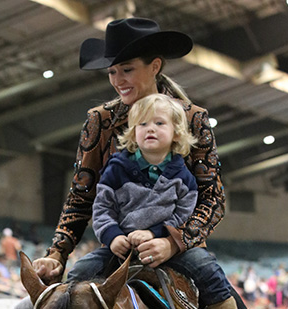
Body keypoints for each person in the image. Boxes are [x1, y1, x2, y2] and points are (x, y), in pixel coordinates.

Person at [27, 17, 242, 308]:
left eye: (127, 70)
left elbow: (212, 199)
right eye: (112, 72)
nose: (117, 80)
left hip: (182, 249)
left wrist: (172, 242)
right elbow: (81, 197)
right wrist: (57, 254)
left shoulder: (193, 118)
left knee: (225, 297)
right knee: (73, 285)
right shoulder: (99, 121)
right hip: (119, 247)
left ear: (154, 66)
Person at [92, 94, 198, 260]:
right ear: (134, 133)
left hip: (167, 247)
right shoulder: (115, 169)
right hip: (122, 246)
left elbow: (184, 216)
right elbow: (102, 208)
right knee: (81, 271)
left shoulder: (184, 178)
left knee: (208, 268)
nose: (150, 128)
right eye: (142, 124)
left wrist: (154, 233)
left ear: (176, 133)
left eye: (159, 123)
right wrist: (113, 236)